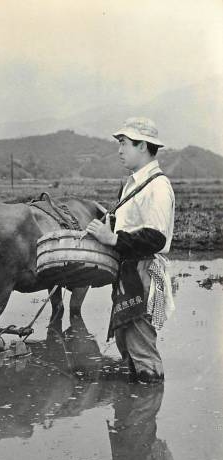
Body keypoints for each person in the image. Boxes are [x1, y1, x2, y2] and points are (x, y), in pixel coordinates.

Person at [86, 117, 175, 383]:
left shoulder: (157, 186)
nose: (119, 150)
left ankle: (147, 401)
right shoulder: (132, 184)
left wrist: (112, 239)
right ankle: (133, 415)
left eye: (124, 143)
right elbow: (130, 224)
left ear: (143, 146)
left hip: (144, 273)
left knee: (141, 348)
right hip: (129, 272)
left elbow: (156, 237)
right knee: (127, 343)